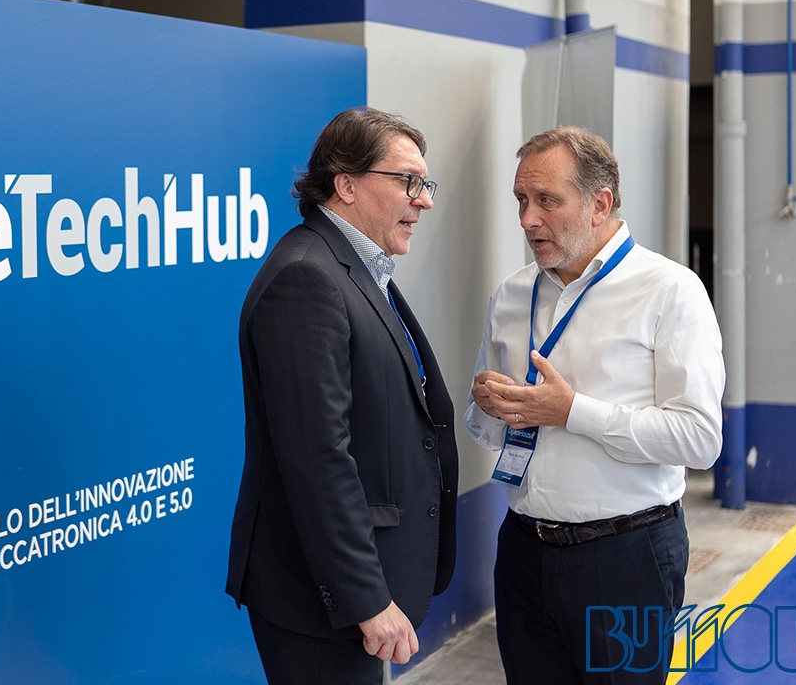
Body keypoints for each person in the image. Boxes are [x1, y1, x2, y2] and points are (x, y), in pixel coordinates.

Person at [465, 126, 724, 684]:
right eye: (521, 200)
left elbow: (700, 438)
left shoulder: (670, 291)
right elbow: (486, 430)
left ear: (600, 204)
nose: (527, 219)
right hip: (523, 550)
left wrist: (571, 412)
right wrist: (488, 404)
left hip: (626, 556)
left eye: (547, 200)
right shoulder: (512, 294)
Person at [226, 107, 459, 685]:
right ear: (346, 185)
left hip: (350, 592)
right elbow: (317, 459)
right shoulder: (306, 278)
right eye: (408, 182)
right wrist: (366, 599)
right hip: (320, 602)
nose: (424, 201)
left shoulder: (356, 268)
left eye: (425, 184)